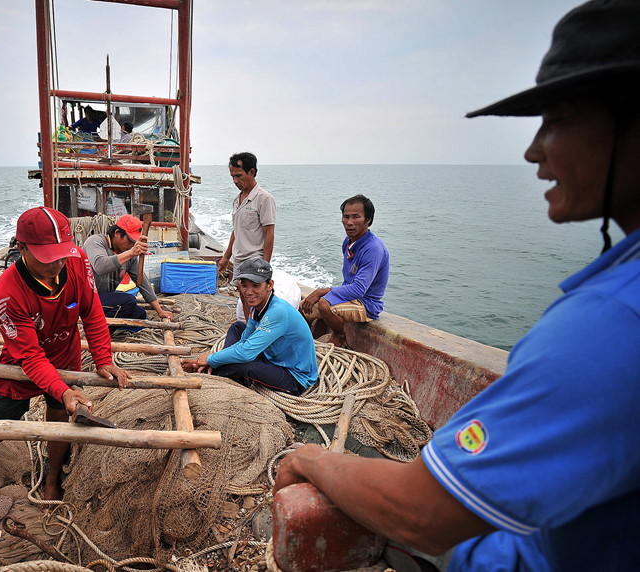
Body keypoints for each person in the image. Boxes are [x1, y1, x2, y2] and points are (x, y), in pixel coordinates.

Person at [273, 1, 640, 570]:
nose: (533, 150)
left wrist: (311, 460)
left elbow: (420, 512)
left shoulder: (610, 325)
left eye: (557, 119)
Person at [0, 206, 131, 500]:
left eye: (62, 254)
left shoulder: (77, 260)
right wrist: (64, 390)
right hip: (21, 365)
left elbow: (92, 311)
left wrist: (102, 358)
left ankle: (52, 478)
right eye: (48, 257)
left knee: (58, 425)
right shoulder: (7, 293)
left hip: (65, 357)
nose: (58, 263)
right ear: (22, 248)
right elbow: (31, 357)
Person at [183, 258, 318, 395]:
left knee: (246, 364)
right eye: (244, 285)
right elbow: (244, 341)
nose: (249, 292)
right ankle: (221, 368)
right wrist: (215, 359)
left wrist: (210, 359)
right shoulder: (256, 308)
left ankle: (210, 369)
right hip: (273, 358)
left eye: (256, 285)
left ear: (269, 285)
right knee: (237, 327)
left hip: (294, 377)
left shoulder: (278, 311)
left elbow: (245, 353)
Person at [300, 195, 389, 347]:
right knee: (303, 307)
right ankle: (304, 339)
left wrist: (323, 291)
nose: (349, 222)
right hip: (350, 296)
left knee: (324, 305)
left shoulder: (373, 249)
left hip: (366, 304)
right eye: (346, 217)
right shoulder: (348, 242)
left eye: (356, 217)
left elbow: (359, 289)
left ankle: (339, 336)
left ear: (368, 220)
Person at [83, 215, 173, 324]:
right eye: (130, 240)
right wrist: (131, 253)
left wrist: (160, 311)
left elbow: (143, 283)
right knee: (129, 300)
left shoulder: (130, 256)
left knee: (140, 315)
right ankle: (98, 329)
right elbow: (100, 266)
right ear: (117, 233)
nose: (131, 245)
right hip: (86, 299)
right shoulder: (96, 242)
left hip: (103, 298)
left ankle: (113, 331)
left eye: (134, 242)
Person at [217, 152, 276, 279]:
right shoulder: (237, 200)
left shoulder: (264, 198)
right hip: (238, 262)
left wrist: (264, 268)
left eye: (238, 176)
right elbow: (236, 230)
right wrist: (226, 258)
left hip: (254, 263)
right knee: (239, 291)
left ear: (252, 172)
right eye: (232, 176)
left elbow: (269, 234)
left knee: (248, 292)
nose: (235, 181)